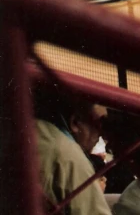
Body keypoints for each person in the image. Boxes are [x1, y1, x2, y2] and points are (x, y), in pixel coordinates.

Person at [33, 84, 112, 215]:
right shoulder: (69, 155)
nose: (101, 135)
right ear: (75, 123)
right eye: (98, 124)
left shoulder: (26, 130)